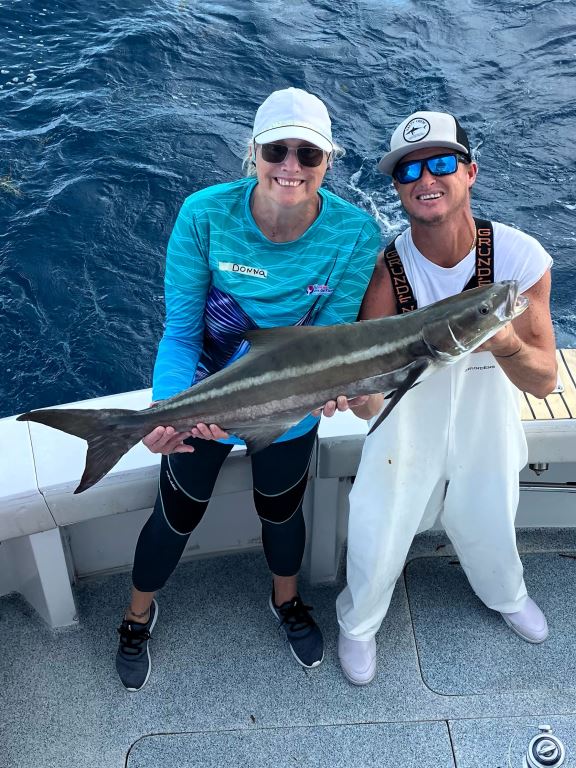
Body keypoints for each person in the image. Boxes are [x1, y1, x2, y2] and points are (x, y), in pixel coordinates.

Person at [114, 87, 381, 691]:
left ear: (328, 162)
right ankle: (135, 614)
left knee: (282, 512)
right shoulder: (204, 213)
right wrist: (167, 414)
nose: (290, 166)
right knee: (175, 514)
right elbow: (181, 332)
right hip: (207, 395)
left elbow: (331, 342)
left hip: (293, 407)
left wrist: (333, 394)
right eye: (276, 150)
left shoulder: (355, 234)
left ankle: (285, 601)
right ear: (253, 153)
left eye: (307, 155)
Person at [336, 111, 558, 686]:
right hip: (405, 419)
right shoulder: (387, 271)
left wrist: (501, 334)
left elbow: (543, 381)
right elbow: (367, 397)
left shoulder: (520, 260)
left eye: (440, 162)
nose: (425, 178)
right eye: (409, 169)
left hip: (487, 419)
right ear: (397, 186)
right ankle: (358, 624)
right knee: (378, 527)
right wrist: (348, 399)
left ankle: (506, 594)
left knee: (490, 518)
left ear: (470, 171)